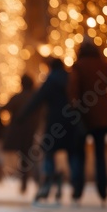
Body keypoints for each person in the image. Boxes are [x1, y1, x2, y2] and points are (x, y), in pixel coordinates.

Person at [18, 58, 75, 204]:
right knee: (72, 153)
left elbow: (37, 100)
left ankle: (48, 180)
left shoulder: (50, 81)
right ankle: (74, 183)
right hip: (72, 122)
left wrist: (22, 115)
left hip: (54, 123)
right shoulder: (72, 79)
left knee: (49, 152)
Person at [68, 40, 107, 206]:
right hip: (103, 117)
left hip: (84, 116)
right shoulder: (104, 66)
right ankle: (103, 191)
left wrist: (73, 111)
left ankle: (78, 190)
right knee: (100, 154)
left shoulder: (78, 66)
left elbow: (73, 91)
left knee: (79, 154)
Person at [2, 74, 42, 194]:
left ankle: (24, 183)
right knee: (33, 157)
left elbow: (5, 108)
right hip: (34, 131)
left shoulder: (17, 97)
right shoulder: (37, 97)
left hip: (20, 133)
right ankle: (38, 182)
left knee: (23, 158)